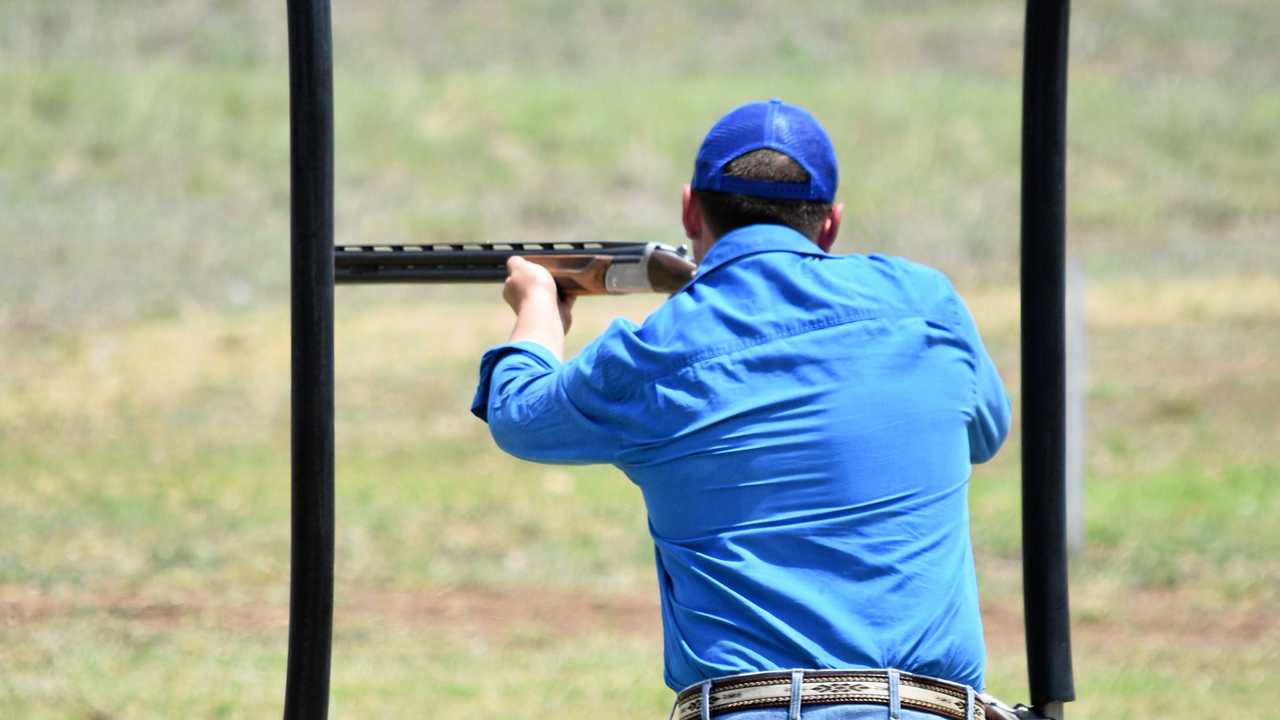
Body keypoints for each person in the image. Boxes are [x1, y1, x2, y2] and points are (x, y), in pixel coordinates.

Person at [471, 99, 1012, 720]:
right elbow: (985, 431)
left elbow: (519, 416)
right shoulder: (926, 304)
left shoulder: (657, 351)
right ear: (829, 225)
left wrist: (539, 308)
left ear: (690, 209)